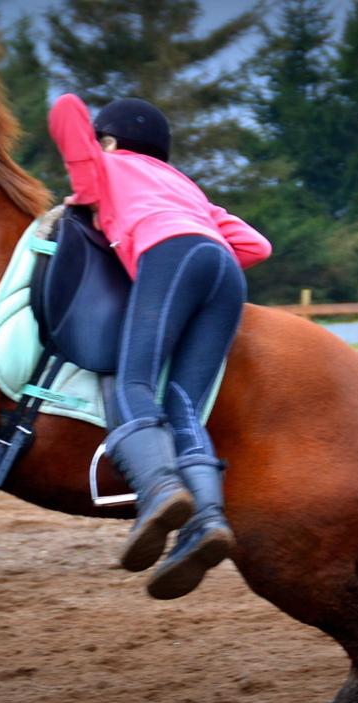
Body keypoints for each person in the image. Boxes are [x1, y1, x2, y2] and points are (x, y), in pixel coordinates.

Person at [48, 94, 271, 600]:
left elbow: (65, 110)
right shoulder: (183, 185)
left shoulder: (106, 164)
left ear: (108, 141)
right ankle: (207, 522)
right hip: (223, 268)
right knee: (185, 405)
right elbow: (258, 247)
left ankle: (159, 490)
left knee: (132, 384)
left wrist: (81, 198)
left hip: (169, 254)